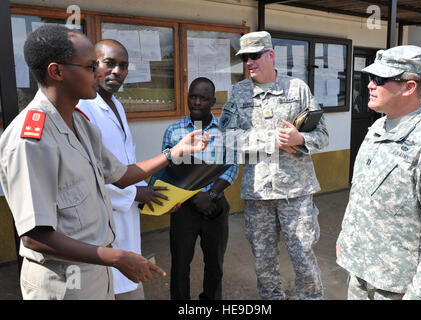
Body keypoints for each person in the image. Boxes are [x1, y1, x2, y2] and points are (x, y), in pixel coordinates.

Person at [0, 24, 208, 300]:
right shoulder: (31, 139)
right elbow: (34, 236)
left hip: (97, 272)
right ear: (57, 72)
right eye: (90, 66)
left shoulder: (80, 124)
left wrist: (173, 153)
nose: (99, 74)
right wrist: (117, 257)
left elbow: (121, 175)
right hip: (63, 284)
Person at [218, 31, 329, 300]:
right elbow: (226, 136)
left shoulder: (298, 89)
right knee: (263, 259)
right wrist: (272, 140)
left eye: (255, 56)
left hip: (296, 191)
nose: (249, 63)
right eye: (245, 58)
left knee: (303, 254)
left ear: (270, 55)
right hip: (258, 193)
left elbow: (323, 135)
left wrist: (300, 138)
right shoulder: (238, 92)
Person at [336, 45, 421, 300]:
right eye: (370, 78)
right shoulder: (378, 126)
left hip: (397, 287)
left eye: (380, 79)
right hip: (360, 271)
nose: (370, 85)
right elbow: (361, 193)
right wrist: (346, 236)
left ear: (409, 87)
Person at [76, 39, 177, 300]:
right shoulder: (82, 109)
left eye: (123, 66)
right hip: (99, 227)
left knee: (129, 287)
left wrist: (153, 196)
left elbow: (124, 163)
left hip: (126, 222)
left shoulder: (118, 106)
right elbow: (88, 177)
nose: (117, 72)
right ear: (92, 65)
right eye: (109, 63)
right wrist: (135, 194)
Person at [162, 77, 238, 300]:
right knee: (180, 266)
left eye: (203, 98)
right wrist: (195, 197)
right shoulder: (174, 131)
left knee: (214, 266)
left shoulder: (225, 132)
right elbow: (169, 170)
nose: (197, 102)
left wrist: (211, 195)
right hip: (182, 208)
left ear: (213, 101)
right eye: (193, 97)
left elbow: (232, 166)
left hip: (214, 207)